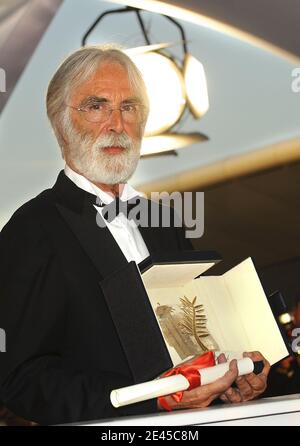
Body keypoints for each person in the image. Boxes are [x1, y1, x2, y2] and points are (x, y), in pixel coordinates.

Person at [0, 46, 270, 425]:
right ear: (61, 122)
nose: (116, 124)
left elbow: (192, 340)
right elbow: (21, 379)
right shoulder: (31, 230)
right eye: (97, 106)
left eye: (129, 107)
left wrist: (230, 378)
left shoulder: (166, 222)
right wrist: (148, 402)